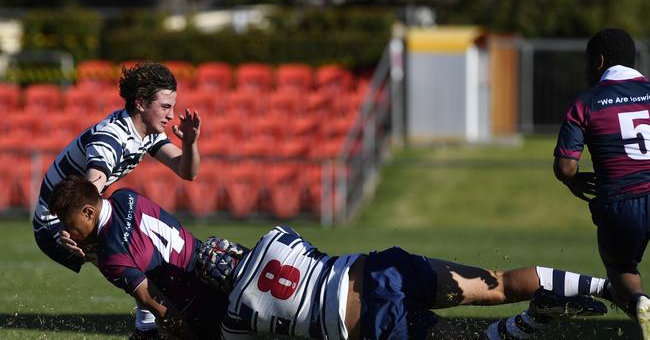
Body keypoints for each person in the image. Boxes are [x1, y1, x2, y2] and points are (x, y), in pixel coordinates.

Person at [49, 175, 610, 340]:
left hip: (371, 322)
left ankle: (533, 323)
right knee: (499, 282)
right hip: (378, 266)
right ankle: (611, 291)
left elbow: (161, 306)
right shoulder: (273, 239)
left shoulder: (238, 319)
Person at [32, 62, 201, 339]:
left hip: (81, 210)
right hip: (58, 223)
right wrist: (69, 228)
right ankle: (152, 328)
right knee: (132, 251)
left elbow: (187, 171)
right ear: (141, 103)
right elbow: (91, 184)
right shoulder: (111, 137)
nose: (171, 115)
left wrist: (190, 143)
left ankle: (148, 328)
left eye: (173, 106)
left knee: (135, 245)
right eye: (165, 106)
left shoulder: (147, 132)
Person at [553, 28, 650, 338]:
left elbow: (566, 166)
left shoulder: (586, 102)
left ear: (599, 61)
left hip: (620, 202)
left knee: (621, 268)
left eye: (586, 63)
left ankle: (640, 303)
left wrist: (572, 183)